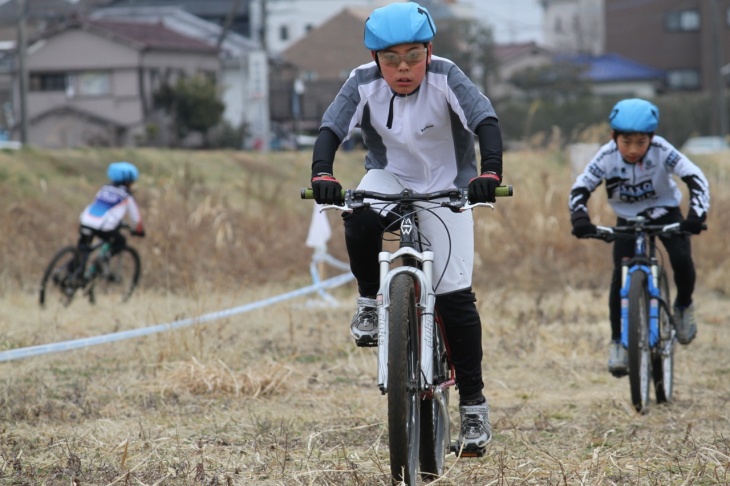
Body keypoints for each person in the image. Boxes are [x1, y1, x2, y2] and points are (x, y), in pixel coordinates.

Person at [308, 1, 504, 454]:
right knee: (357, 211)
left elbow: (485, 122)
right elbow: (331, 129)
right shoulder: (362, 82)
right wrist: (322, 173)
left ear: (429, 51)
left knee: (455, 299)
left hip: (448, 189)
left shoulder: (447, 75)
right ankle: (368, 302)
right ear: (375, 58)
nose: (403, 68)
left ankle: (473, 408)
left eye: (413, 56)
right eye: (390, 58)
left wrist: (489, 173)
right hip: (391, 178)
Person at [569, 98, 710, 376]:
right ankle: (619, 343)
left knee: (681, 259)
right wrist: (580, 219)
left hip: (665, 212)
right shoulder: (606, 155)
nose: (633, 149)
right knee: (619, 277)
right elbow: (581, 188)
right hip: (628, 219)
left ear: (652, 138)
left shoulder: (662, 150)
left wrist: (696, 216)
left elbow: (695, 177)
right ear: (614, 137)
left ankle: (682, 305)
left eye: (641, 142)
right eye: (626, 142)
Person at [78, 161, 146, 268]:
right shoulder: (127, 196)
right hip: (103, 226)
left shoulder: (104, 188)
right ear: (128, 182)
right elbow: (136, 219)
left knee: (82, 250)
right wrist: (138, 230)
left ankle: (70, 272)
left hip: (85, 221)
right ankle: (103, 259)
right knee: (121, 242)